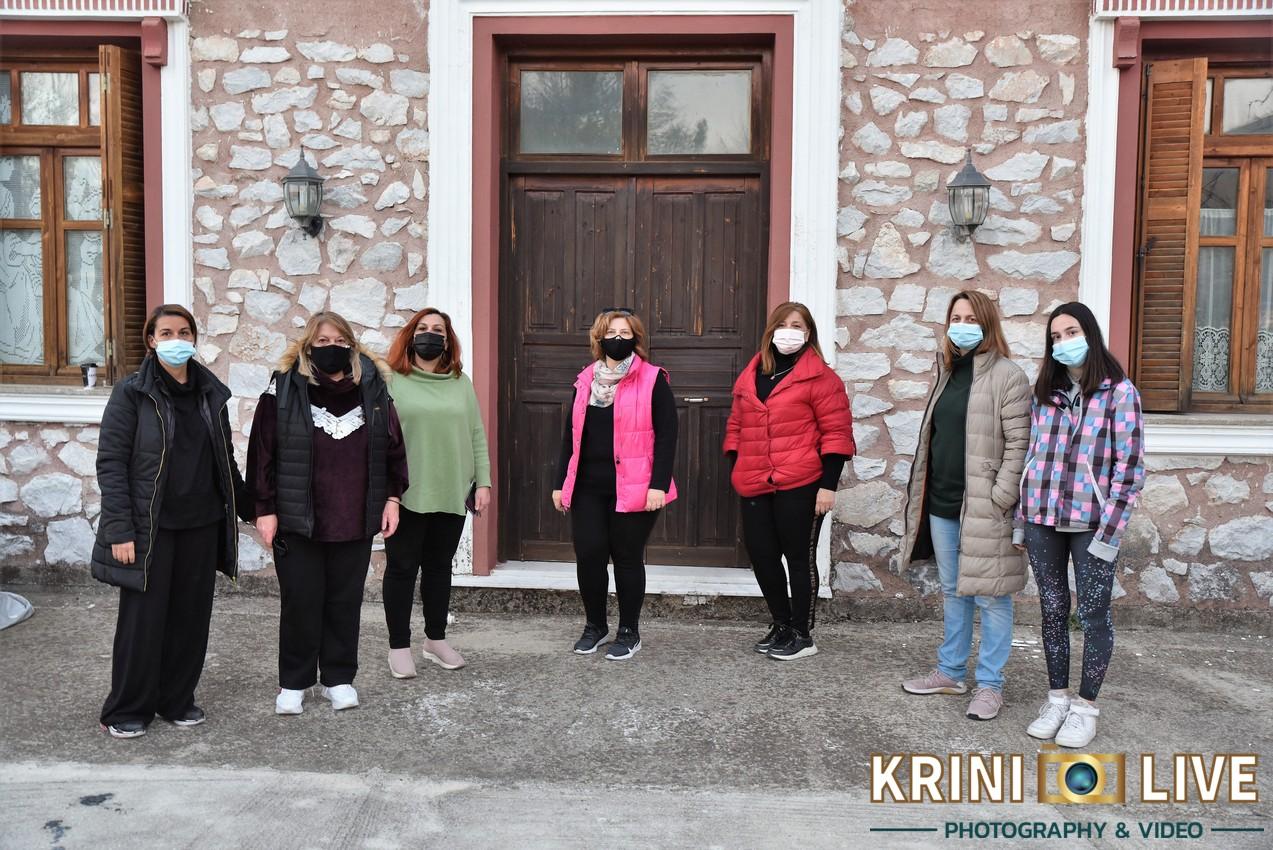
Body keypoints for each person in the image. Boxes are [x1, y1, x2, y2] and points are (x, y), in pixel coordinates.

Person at [93, 304, 253, 739]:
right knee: (142, 623)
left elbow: (225, 464)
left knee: (190, 619)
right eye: (166, 333)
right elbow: (111, 464)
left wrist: (255, 510)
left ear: (194, 338)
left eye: (184, 332)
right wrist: (120, 530)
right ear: (151, 340)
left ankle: (176, 699)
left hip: (201, 525)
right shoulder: (131, 393)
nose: (176, 340)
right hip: (151, 530)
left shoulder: (211, 394)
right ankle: (127, 708)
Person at [247, 312, 408, 715]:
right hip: (298, 518)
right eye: (321, 341)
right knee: (300, 601)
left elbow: (393, 449)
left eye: (339, 341)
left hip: (355, 516)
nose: (330, 348)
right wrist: (264, 509)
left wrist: (392, 499)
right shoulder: (284, 388)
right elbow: (262, 452)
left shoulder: (373, 387)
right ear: (307, 345)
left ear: (351, 345)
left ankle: (339, 678)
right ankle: (294, 682)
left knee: (344, 601)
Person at [1017, 302, 1144, 748]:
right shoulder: (1044, 393)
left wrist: (1110, 533)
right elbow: (1031, 456)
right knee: (1052, 609)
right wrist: (1021, 520)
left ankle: (1085, 707)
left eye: (1070, 332)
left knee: (1092, 614)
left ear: (1089, 333)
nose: (1063, 342)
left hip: (1093, 522)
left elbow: (1129, 470)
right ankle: (1057, 699)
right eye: (1055, 337)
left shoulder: (1119, 393)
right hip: (1042, 517)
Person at [899, 290, 1030, 721]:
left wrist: (1000, 497)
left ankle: (990, 685)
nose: (961, 325)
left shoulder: (1009, 376)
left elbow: (1020, 445)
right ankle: (951, 672)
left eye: (971, 318)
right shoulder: (947, 371)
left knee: (992, 595)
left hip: (985, 506)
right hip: (942, 503)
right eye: (955, 318)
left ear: (987, 323)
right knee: (954, 590)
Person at [723, 301, 853, 661]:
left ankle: (802, 633)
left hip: (802, 483)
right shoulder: (751, 375)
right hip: (755, 482)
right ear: (771, 330)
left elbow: (837, 433)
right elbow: (736, 426)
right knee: (763, 556)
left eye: (797, 326)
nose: (789, 331)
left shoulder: (822, 379)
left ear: (808, 333)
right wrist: (737, 464)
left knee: (798, 557)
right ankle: (781, 624)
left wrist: (828, 485)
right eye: (783, 324)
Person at [552, 308, 677, 661]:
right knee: (589, 555)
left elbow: (667, 435)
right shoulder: (584, 381)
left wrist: (658, 485)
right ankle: (595, 626)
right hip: (587, 487)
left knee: (626, 557)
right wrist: (560, 483)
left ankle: (628, 631)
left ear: (636, 339)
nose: (617, 339)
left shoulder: (653, 379)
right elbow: (570, 436)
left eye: (625, 333)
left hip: (636, 486)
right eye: (610, 333)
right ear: (599, 338)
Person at [381, 308, 491, 677]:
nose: (430, 335)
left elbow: (475, 433)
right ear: (411, 336)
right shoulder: (391, 380)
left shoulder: (460, 382)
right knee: (401, 569)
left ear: (447, 340)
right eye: (423, 328)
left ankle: (435, 639)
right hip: (405, 493)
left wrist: (483, 481)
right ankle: (399, 646)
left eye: (438, 330)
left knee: (440, 568)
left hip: (451, 489)